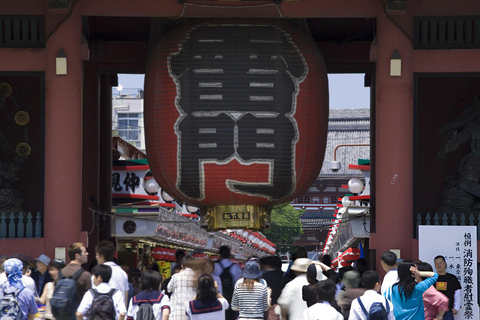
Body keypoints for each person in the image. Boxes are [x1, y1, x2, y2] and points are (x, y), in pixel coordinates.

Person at [59, 242, 92, 316]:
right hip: (79, 315)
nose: (87, 254)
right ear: (77, 255)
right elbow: (90, 300)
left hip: (62, 315)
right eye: (84, 252)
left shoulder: (60, 273)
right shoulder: (86, 275)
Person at [94, 240, 130, 307]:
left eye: (97, 255)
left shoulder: (97, 274)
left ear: (101, 256)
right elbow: (125, 296)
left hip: (100, 314)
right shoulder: (122, 273)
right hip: (118, 314)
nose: (96, 257)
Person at [213, 246, 242, 320]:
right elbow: (238, 284)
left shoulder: (215, 266)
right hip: (232, 297)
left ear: (219, 254)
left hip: (218, 296)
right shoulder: (236, 267)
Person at [168, 255, 198, 320]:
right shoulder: (197, 278)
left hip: (177, 313)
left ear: (182, 266)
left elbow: (169, 289)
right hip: (192, 312)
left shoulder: (176, 277)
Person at [433, 255, 461, 320]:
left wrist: (456, 308)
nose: (439, 265)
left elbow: (457, 293)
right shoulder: (432, 279)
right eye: (436, 264)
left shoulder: (452, 278)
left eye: (440, 263)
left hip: (448, 311)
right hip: (434, 311)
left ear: (445, 264)